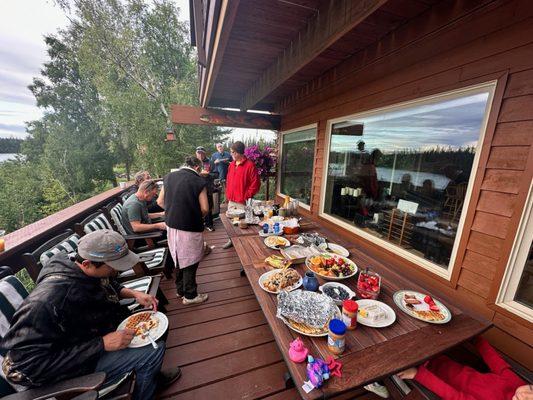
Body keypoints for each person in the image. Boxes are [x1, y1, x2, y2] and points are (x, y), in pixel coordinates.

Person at [0, 230, 180, 400]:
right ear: (87, 264)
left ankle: (149, 377)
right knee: (151, 353)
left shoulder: (77, 264)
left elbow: (105, 282)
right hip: (72, 369)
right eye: (113, 268)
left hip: (91, 335)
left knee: (156, 326)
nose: (116, 272)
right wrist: (101, 345)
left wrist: (132, 293)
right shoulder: (45, 303)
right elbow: (22, 368)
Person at [397, 336, 527, 400]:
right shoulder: (518, 384)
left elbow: (455, 396)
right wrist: (477, 339)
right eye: (532, 389)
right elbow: (497, 362)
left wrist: (418, 374)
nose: (523, 394)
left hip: (430, 377)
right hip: (442, 361)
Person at [157, 156, 210, 305]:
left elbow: (160, 201)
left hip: (171, 225)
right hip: (189, 227)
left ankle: (180, 289)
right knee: (191, 259)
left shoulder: (168, 177)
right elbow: (205, 208)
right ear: (197, 168)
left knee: (178, 257)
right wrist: (190, 213)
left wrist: (175, 211)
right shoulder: (199, 182)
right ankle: (190, 295)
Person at [223, 141, 261, 249]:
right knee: (231, 222)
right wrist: (227, 195)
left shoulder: (250, 165)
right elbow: (229, 181)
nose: (231, 154)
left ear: (239, 152)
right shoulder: (231, 165)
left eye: (233, 152)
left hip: (242, 201)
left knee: (242, 223)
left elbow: (256, 184)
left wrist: (246, 195)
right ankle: (231, 240)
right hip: (232, 199)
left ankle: (242, 244)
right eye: (231, 152)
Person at [196, 146, 218, 232]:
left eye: (201, 153)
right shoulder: (194, 163)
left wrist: (208, 175)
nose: (200, 155)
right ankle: (200, 224)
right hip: (196, 189)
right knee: (197, 206)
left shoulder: (210, 162)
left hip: (207, 188)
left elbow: (216, 174)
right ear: (196, 153)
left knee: (208, 206)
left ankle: (209, 224)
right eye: (198, 153)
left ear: (205, 153)